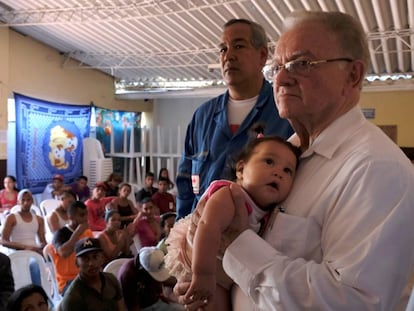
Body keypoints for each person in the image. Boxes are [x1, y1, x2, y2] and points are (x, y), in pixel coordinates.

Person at [175, 11, 414, 311]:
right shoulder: (286, 154)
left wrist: (234, 244)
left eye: (302, 64)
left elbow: (350, 302)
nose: (282, 79)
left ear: (352, 75)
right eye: (276, 68)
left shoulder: (377, 169)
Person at [175, 18, 293, 220]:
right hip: (199, 236)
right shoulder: (202, 117)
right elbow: (185, 181)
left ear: (262, 55)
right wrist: (179, 234)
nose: (228, 56)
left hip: (258, 241)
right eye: (223, 49)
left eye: (239, 46)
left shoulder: (286, 114)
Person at [166, 133, 300, 310]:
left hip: (226, 272)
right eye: (269, 162)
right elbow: (208, 227)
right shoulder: (231, 194)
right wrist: (203, 274)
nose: (278, 173)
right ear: (241, 169)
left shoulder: (266, 211)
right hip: (204, 263)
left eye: (287, 170)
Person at [59, 237, 126, 311]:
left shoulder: (111, 279)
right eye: (85, 259)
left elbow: (122, 308)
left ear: (102, 258)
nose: (91, 263)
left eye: (95, 257)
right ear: (76, 263)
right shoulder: (73, 297)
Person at [117, 246, 184, 311]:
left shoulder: (154, 260)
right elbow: (133, 308)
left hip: (158, 302)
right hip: (143, 308)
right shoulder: (127, 276)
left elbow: (167, 280)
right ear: (143, 269)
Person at [51, 200, 94, 295]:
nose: (86, 218)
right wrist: (78, 232)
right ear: (71, 217)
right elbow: (64, 253)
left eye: (87, 214)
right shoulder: (60, 234)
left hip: (87, 276)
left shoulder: (87, 233)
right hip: (67, 281)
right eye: (82, 215)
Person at [1, 189, 46, 254]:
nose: (26, 203)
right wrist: (24, 247)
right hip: (18, 253)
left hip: (35, 252)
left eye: (28, 200)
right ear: (18, 202)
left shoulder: (39, 219)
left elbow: (43, 241)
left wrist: (40, 248)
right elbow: (3, 241)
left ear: (32, 201)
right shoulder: (11, 218)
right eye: (23, 200)